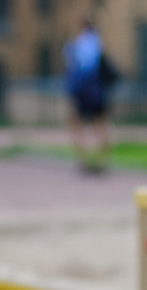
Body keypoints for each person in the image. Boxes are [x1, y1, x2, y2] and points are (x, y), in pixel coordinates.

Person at [63, 19, 114, 174]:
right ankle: (104, 160)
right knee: (101, 124)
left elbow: (70, 65)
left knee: (77, 124)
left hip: (82, 91)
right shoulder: (97, 42)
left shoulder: (76, 43)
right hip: (97, 90)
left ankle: (82, 159)